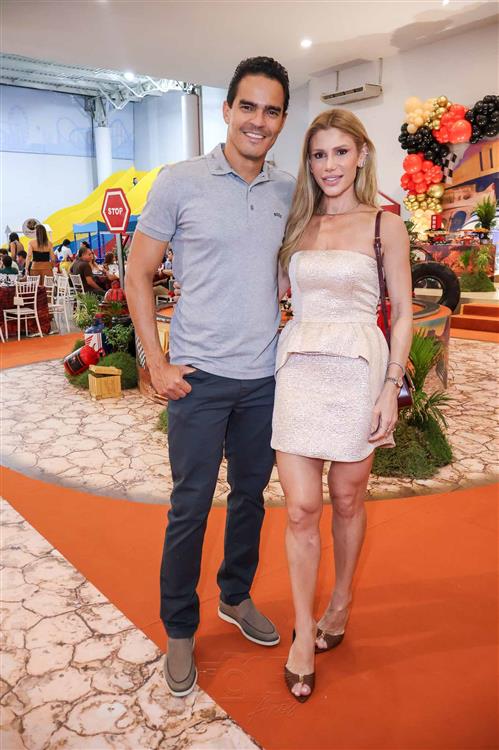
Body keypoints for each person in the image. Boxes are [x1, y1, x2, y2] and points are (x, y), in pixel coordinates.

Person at [126, 56, 294, 698]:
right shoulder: (181, 181)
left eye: (271, 110)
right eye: (247, 106)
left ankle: (235, 595)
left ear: (282, 120)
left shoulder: (288, 191)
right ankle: (178, 627)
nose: (258, 121)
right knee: (190, 505)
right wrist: (155, 361)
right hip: (197, 379)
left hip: (263, 379)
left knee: (250, 498)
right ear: (226, 110)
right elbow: (138, 273)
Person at [273, 110, 413, 701]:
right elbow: (278, 296)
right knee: (301, 509)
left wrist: (390, 386)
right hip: (298, 371)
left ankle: (341, 600)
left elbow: (401, 314)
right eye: (317, 154)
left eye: (339, 152)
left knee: (348, 500)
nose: (328, 165)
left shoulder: (385, 225)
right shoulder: (296, 225)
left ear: (361, 154)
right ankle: (303, 633)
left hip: (358, 373)